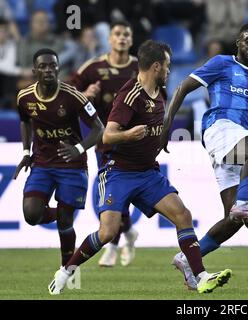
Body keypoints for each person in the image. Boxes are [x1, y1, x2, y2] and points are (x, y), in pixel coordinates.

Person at [48, 40, 232, 295]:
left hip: (147, 173)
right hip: (118, 173)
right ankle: (66, 271)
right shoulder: (129, 96)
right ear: (156, 66)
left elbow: (157, 123)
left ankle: (198, 276)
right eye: (167, 66)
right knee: (108, 232)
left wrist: (162, 137)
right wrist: (129, 135)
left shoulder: (161, 92)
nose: (169, 70)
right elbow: (106, 136)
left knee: (183, 215)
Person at [160, 22, 248, 290]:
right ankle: (244, 201)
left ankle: (187, 260)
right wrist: (166, 125)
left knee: (235, 220)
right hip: (219, 128)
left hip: (236, 140)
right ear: (238, 42)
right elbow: (183, 87)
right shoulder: (222, 63)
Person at [14, 48, 104, 268]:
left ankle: (66, 269)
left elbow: (99, 128)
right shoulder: (24, 97)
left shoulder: (73, 96)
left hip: (71, 164)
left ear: (58, 68)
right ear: (34, 70)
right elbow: (25, 121)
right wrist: (26, 152)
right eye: (43, 66)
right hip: (42, 163)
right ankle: (64, 212)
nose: (48, 70)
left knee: (65, 222)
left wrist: (79, 149)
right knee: (31, 215)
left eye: (53, 65)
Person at [70, 20, 139, 267]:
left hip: (135, 140)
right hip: (106, 141)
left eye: (126, 34)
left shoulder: (139, 67)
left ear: (131, 40)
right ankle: (118, 239)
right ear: (110, 39)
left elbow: (158, 96)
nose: (121, 38)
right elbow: (67, 94)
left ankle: (115, 241)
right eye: (117, 34)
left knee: (123, 194)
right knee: (113, 194)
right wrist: (84, 95)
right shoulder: (94, 68)